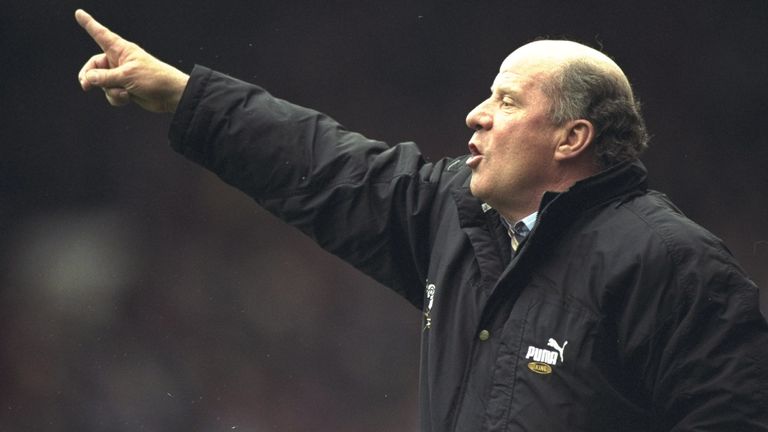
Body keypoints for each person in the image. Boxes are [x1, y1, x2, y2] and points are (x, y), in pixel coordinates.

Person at [75, 9, 768, 431]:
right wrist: (185, 97)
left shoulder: (674, 264)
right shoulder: (456, 219)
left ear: (572, 138)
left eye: (505, 99)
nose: (476, 114)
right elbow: (323, 166)